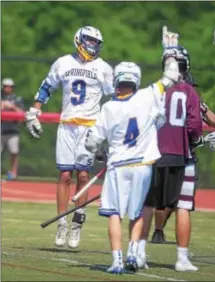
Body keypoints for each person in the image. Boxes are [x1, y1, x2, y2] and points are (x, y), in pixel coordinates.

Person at [85, 59, 182, 274]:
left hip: (118, 166)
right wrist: (170, 55)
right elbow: (171, 77)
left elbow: (91, 142)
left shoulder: (108, 107)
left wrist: (101, 153)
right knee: (137, 213)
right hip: (143, 165)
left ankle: (116, 261)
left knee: (114, 215)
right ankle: (132, 253)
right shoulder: (148, 95)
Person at [25, 26, 114, 248]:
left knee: (83, 175)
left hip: (89, 127)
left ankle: (77, 223)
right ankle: (62, 222)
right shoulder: (63, 62)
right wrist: (34, 111)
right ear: (79, 39)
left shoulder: (103, 68)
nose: (92, 45)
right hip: (67, 126)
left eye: (96, 42)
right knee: (65, 174)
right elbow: (47, 87)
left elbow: (115, 97)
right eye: (89, 40)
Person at [138, 46, 203, 272]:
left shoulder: (153, 90)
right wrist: (193, 139)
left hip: (153, 155)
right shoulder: (190, 92)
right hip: (182, 156)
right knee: (183, 206)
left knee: (146, 205)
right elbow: (195, 127)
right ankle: (181, 259)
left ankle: (138, 254)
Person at [151, 69, 215, 245]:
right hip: (181, 155)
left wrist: (203, 107)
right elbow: (214, 122)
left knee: (166, 200)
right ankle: (161, 234)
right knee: (179, 203)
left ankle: (157, 232)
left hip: (165, 153)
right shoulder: (185, 99)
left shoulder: (166, 97)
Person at [1, 78, 24, 180]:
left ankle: (13, 173)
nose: (8, 88)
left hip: (13, 130)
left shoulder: (17, 99)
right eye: (6, 86)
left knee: (14, 152)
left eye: (10, 86)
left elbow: (22, 114)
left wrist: (12, 107)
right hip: (1, 130)